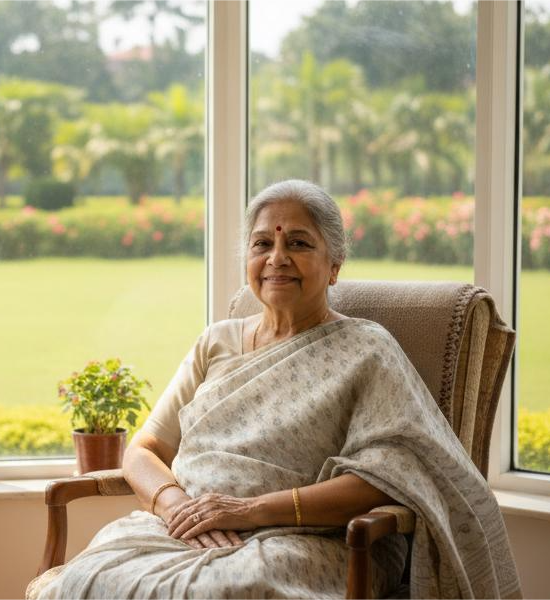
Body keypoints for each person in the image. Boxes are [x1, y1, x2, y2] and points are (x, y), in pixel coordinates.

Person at [33, 180, 521, 599]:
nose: (277, 258)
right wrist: (176, 505)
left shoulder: (366, 349)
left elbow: (387, 476)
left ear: (334, 266)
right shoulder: (215, 342)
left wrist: (247, 511)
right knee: (90, 576)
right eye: (262, 243)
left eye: (300, 244)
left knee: (221, 592)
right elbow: (143, 450)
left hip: (301, 541)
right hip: (182, 527)